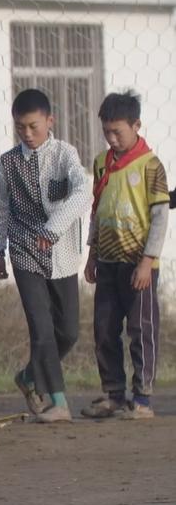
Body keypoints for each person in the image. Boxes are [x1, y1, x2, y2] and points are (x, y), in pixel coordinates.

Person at [0, 88, 91, 423]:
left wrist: (53, 229)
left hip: (61, 253)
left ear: (50, 121)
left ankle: (29, 376)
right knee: (42, 330)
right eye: (21, 128)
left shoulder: (65, 155)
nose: (28, 134)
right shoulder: (6, 164)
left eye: (34, 126)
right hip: (24, 252)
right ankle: (57, 402)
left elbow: (82, 191)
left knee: (68, 332)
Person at [80, 91, 169, 421]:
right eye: (107, 131)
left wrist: (148, 260)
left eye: (118, 131)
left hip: (138, 263)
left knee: (141, 328)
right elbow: (96, 210)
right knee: (104, 327)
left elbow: (160, 217)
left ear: (136, 125)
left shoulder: (151, 166)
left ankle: (142, 397)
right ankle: (113, 394)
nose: (112, 138)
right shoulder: (102, 162)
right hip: (107, 261)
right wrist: (91, 254)